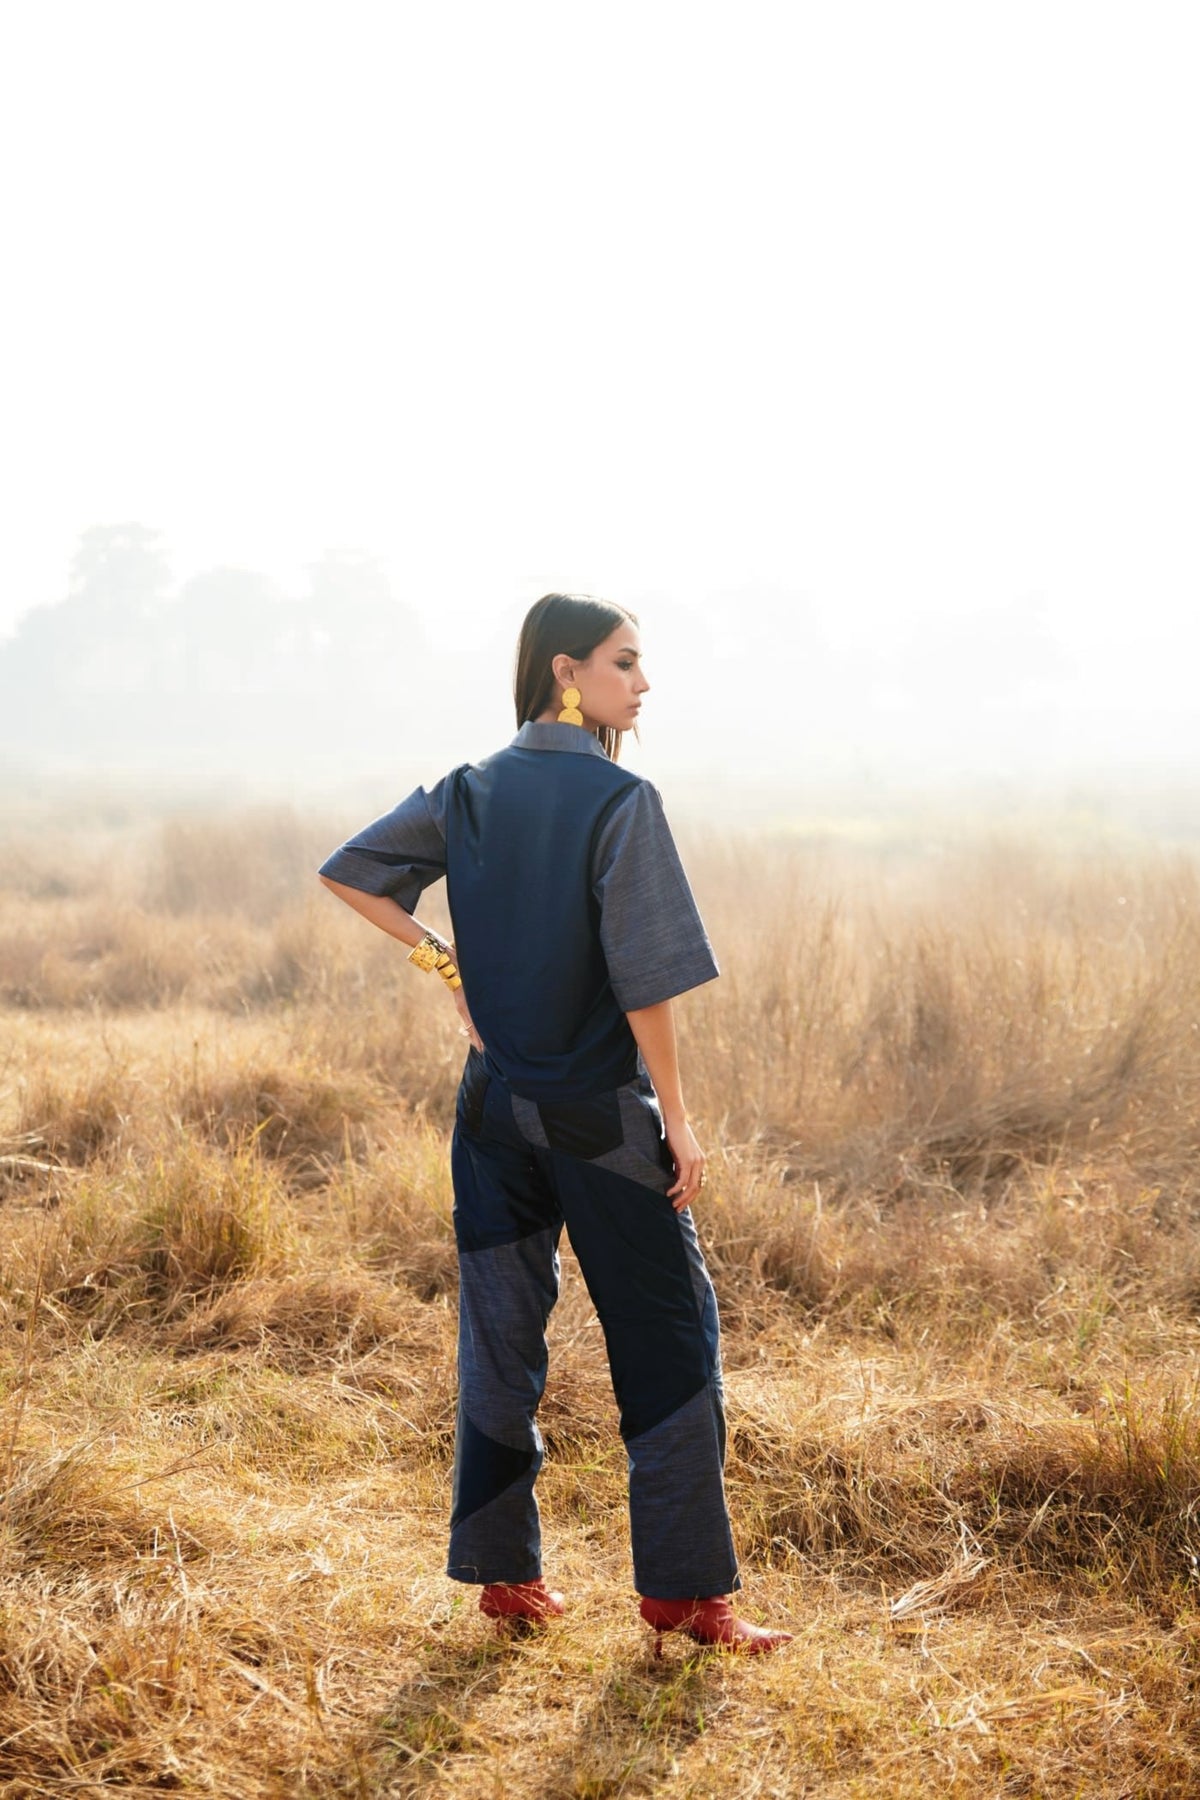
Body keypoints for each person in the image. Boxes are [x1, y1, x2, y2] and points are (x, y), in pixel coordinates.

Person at [317, 593, 791, 1656]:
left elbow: (349, 874)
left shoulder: (470, 789)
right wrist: (680, 1120)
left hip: (491, 1110)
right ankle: (685, 1598)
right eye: (628, 663)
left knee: (499, 1335)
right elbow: (648, 983)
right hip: (595, 1119)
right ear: (568, 672)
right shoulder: (619, 799)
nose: (644, 683)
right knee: (670, 1340)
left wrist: (448, 971)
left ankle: (504, 1577)